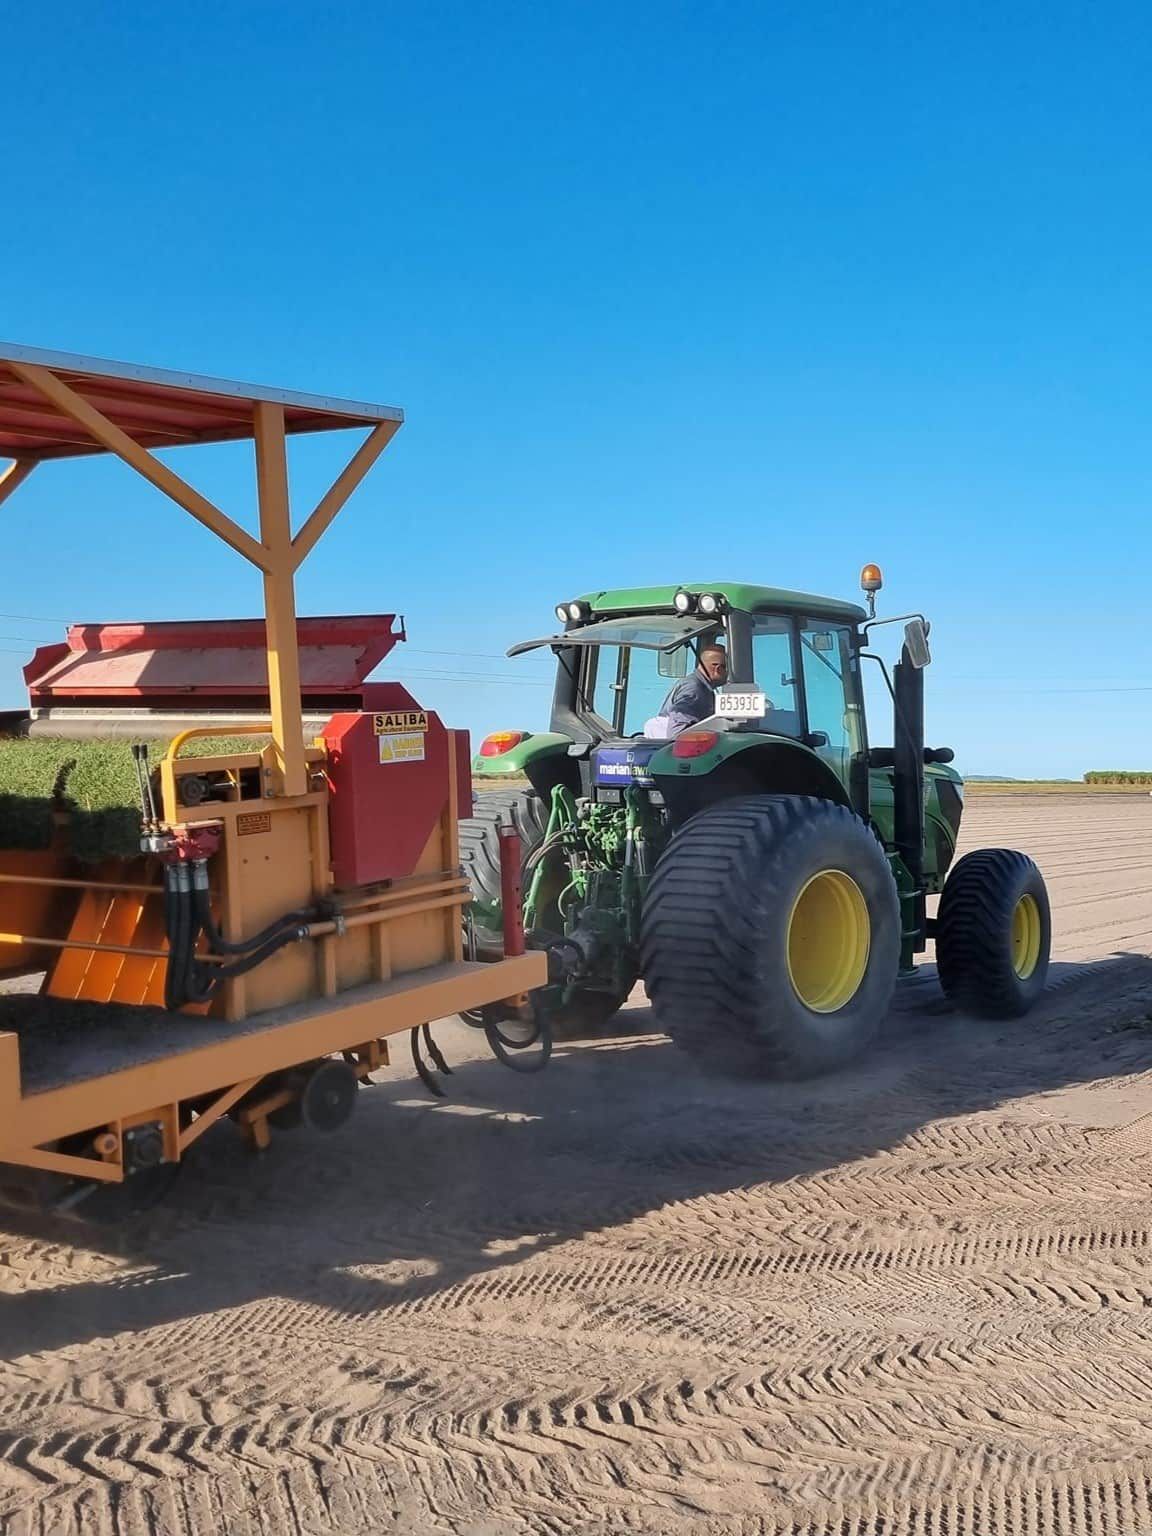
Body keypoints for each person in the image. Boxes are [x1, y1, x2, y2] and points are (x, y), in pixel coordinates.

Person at [657, 642, 728, 733]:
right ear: (718, 669)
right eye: (729, 670)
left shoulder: (702, 687)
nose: (729, 675)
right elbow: (677, 732)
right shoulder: (694, 690)